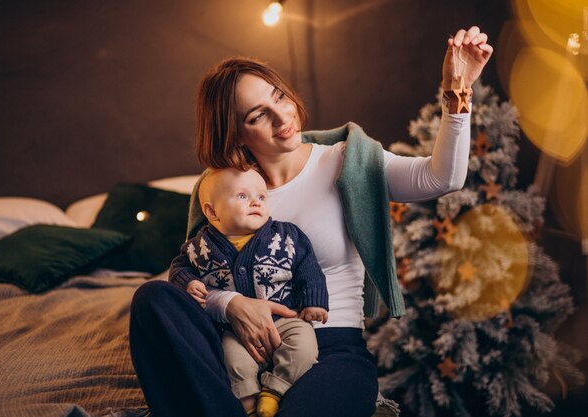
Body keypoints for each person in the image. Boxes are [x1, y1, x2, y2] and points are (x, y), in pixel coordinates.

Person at [129, 26, 493, 417]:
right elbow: (197, 278)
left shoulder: (346, 161)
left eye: (280, 97)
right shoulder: (219, 189)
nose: (281, 116)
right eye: (257, 115)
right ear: (235, 134)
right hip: (236, 345)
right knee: (153, 298)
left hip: (330, 348)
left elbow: (443, 179)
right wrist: (231, 303)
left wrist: (457, 92)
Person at [168, 167, 329, 417]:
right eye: (242, 196)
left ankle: (275, 390)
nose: (256, 201)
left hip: (286, 319)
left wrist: (314, 302)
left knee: (305, 349)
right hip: (234, 329)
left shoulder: (287, 236)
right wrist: (188, 282)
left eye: (262, 197)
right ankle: (248, 401)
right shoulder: (199, 246)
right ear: (211, 212)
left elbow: (309, 269)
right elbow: (178, 267)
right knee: (232, 360)